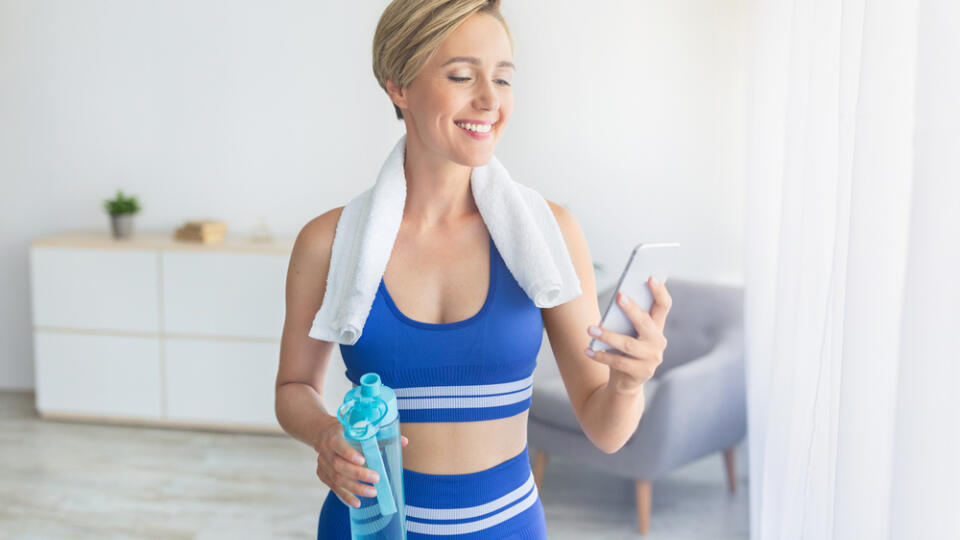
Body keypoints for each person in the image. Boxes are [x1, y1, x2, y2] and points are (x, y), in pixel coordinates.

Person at [274, 1, 673, 538]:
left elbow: (606, 431)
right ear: (398, 86)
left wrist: (627, 384)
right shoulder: (329, 241)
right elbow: (295, 385)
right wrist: (326, 434)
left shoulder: (545, 234)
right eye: (462, 76)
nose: (489, 100)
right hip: (369, 528)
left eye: (503, 80)